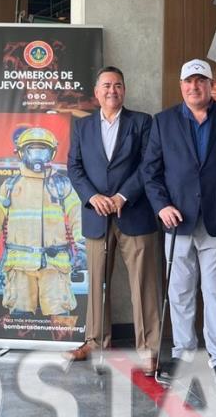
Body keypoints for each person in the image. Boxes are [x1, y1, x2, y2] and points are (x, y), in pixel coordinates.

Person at [142, 58, 216, 387]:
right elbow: (150, 171)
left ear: (210, 83)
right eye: (188, 81)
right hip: (178, 222)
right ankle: (183, 353)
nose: (194, 87)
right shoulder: (163, 122)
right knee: (180, 292)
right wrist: (161, 206)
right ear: (181, 86)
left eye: (200, 80)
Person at [64, 66, 160, 375]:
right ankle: (95, 342)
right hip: (96, 217)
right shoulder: (82, 127)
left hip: (134, 213)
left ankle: (149, 350)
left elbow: (148, 165)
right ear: (96, 92)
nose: (112, 90)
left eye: (117, 85)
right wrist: (92, 196)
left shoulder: (142, 122)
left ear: (124, 90)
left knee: (143, 284)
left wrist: (122, 197)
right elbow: (74, 167)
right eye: (106, 85)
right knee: (96, 283)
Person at [0, 127, 86, 332]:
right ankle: (22, 348)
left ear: (51, 154)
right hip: (19, 266)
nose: (38, 156)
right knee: (20, 317)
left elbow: (78, 216)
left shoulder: (61, 184)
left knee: (61, 315)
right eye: (33, 150)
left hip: (54, 266)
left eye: (43, 151)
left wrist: (82, 248)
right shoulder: (11, 185)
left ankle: (64, 346)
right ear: (21, 153)